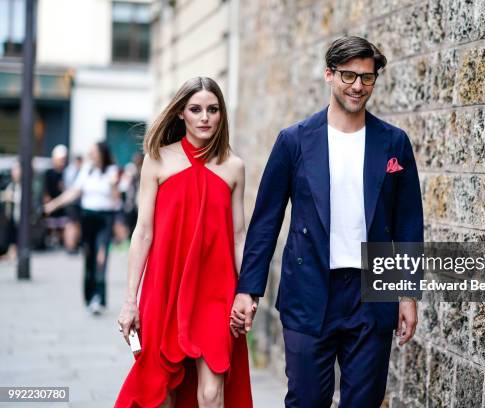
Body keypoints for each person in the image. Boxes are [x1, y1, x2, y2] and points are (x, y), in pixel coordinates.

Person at [231, 36, 424, 407]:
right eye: (349, 76)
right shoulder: (295, 141)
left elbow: (408, 222)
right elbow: (266, 221)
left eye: (367, 78)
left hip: (372, 293)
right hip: (309, 287)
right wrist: (248, 289)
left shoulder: (394, 142)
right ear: (329, 75)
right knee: (306, 400)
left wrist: (408, 293)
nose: (357, 86)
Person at [114, 77, 252, 407]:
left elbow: (238, 235)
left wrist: (247, 291)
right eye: (196, 109)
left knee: (211, 391)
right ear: (181, 114)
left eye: (213, 109)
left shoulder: (234, 167)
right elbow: (143, 231)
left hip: (216, 290)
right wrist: (130, 299)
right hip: (164, 288)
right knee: (161, 390)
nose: (205, 117)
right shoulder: (157, 159)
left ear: (222, 115)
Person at [44, 142, 120, 315]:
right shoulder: (87, 170)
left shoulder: (111, 171)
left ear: (101, 153)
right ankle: (89, 296)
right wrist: (52, 206)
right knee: (89, 258)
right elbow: (73, 192)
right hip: (88, 218)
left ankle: (99, 298)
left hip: (105, 219)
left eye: (93, 152)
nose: (91, 155)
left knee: (101, 258)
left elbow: (116, 200)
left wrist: (114, 185)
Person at [43, 144, 69, 248]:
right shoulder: (49, 173)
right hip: (52, 204)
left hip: (63, 204)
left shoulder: (67, 173)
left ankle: (62, 241)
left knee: (62, 224)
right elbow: (45, 190)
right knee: (51, 224)